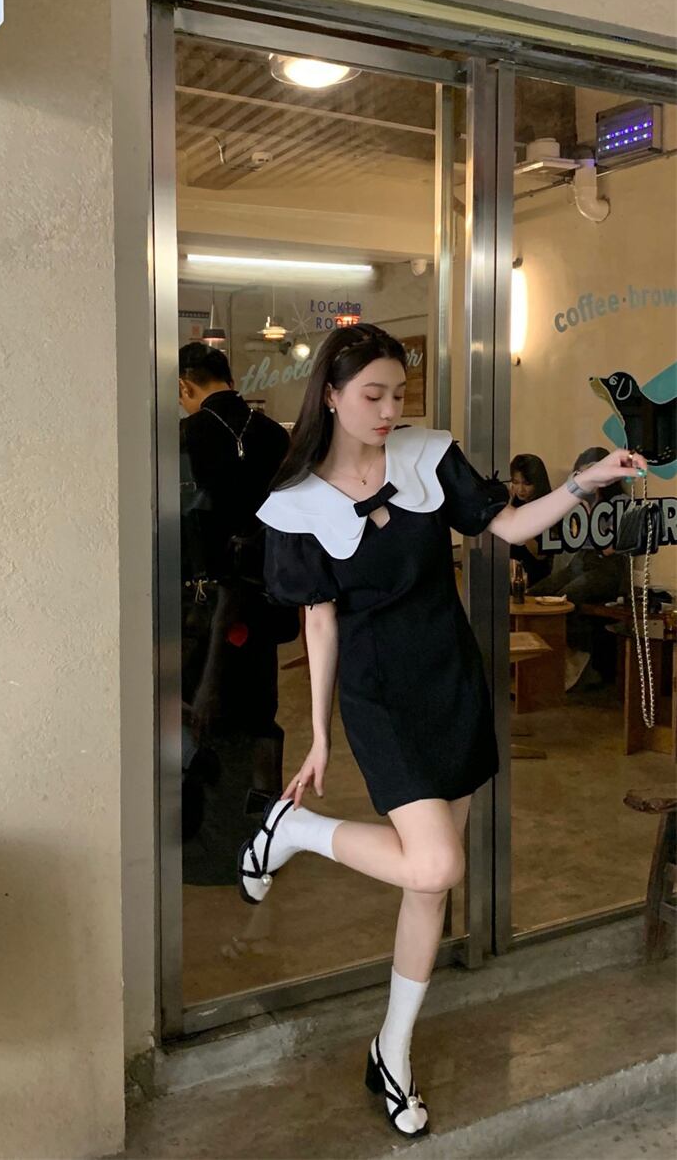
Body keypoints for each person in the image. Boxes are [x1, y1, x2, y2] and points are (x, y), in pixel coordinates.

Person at [236, 324, 647, 1139]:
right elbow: (320, 622)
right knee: (436, 861)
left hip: (449, 678)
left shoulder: (430, 456)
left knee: (428, 887)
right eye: (373, 395)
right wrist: (319, 734)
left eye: (398, 393)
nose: (390, 409)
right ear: (331, 396)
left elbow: (510, 527)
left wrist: (586, 481)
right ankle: (296, 830)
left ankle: (391, 1050)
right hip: (380, 694)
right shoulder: (296, 504)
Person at [178, 342, 293, 885]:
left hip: (204, 603)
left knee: (203, 711)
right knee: (258, 710)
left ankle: (210, 843)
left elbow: (179, 525)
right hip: (265, 601)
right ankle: (261, 838)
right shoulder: (273, 435)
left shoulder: (185, 437)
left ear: (185, 385)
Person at [528, 445, 630, 688]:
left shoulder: (620, 503)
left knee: (567, 598)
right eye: (583, 474)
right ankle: (540, 660)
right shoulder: (579, 501)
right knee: (535, 594)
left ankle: (582, 661)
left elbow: (612, 547)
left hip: (607, 567)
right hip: (581, 561)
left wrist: (588, 526)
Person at [509, 452, 554, 586]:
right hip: (512, 568)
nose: (520, 489)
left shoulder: (548, 507)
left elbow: (540, 554)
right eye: (515, 482)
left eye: (527, 483)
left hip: (534, 573)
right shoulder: (516, 502)